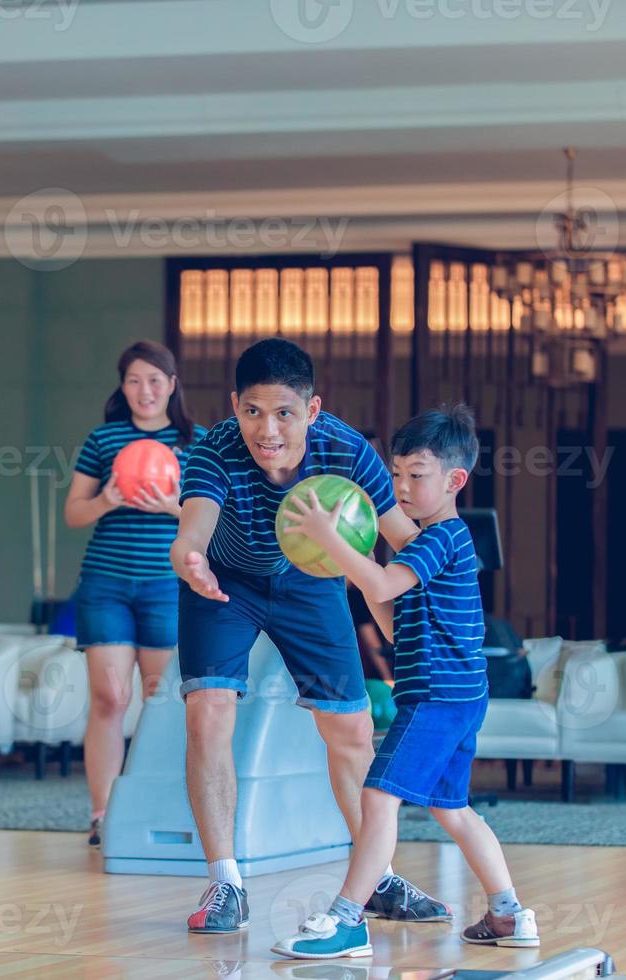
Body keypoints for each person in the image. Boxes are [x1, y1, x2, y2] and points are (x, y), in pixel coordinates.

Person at [171, 337, 447, 934]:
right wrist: (189, 559)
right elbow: (194, 529)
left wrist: (429, 620)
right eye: (252, 411)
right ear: (234, 406)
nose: (266, 429)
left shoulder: (347, 450)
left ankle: (377, 876)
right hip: (225, 583)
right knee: (208, 711)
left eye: (284, 413)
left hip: (312, 581)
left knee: (350, 727)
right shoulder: (214, 450)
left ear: (313, 409)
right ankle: (226, 881)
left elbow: (401, 540)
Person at [273, 403, 538, 959]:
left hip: (438, 697)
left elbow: (385, 584)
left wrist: (331, 537)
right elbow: (395, 622)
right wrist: (359, 561)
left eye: (417, 475)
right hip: (455, 695)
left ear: (454, 480)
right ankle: (510, 915)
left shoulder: (442, 538)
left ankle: (346, 921)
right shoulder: (428, 544)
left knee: (377, 797)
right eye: (396, 474)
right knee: (453, 810)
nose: (402, 486)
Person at [65, 340, 206, 848]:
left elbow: (217, 519)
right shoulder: (104, 440)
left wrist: (173, 506)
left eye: (154, 380)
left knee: (160, 699)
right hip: (106, 584)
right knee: (109, 697)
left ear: (171, 385)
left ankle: (160, 806)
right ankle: (103, 814)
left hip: (168, 586)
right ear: (121, 387)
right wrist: (106, 498)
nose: (144, 391)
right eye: (133, 381)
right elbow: (73, 513)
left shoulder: (198, 441)